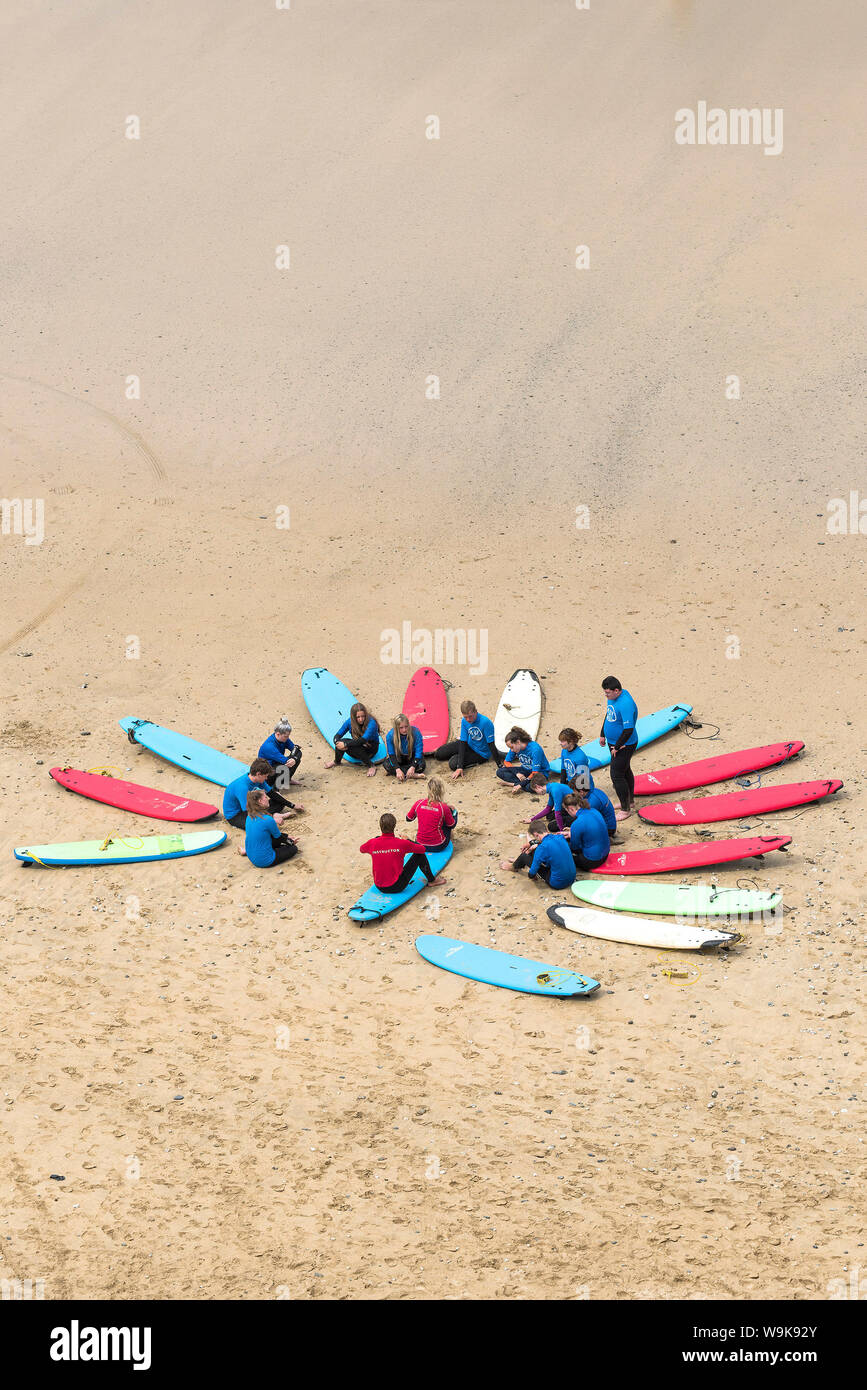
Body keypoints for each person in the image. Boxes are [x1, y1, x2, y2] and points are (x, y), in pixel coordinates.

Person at [359, 812, 447, 894]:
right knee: (419, 855)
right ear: (394, 826)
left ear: (380, 826)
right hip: (397, 886)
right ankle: (432, 880)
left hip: (379, 886)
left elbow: (361, 849)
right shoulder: (402, 843)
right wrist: (408, 840)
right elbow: (422, 849)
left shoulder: (372, 843)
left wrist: (377, 841)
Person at [432, 700, 504, 780]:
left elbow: (491, 744)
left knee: (453, 764)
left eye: (470, 716)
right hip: (469, 745)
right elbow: (463, 742)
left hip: (481, 754)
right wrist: (460, 765)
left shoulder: (485, 722)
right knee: (439, 754)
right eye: (465, 717)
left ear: (476, 712)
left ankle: (459, 758)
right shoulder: (464, 721)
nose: (468, 719)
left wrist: (499, 765)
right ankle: (457, 756)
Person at [222, 758, 302, 829]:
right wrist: (270, 820)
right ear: (258, 774)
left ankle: (274, 815)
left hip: (251, 806)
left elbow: (272, 794)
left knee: (279, 801)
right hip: (236, 815)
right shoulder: (242, 787)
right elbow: (248, 811)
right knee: (257, 826)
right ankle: (274, 816)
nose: (266, 778)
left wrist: (293, 805)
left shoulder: (259, 780)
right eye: (265, 776)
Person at [599, 676, 638, 819]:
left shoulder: (626, 703)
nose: (606, 695)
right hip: (614, 742)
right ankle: (630, 802)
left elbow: (628, 729)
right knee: (625, 769)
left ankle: (626, 809)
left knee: (616, 774)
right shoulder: (613, 698)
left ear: (617, 691)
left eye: (608, 693)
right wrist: (603, 733)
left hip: (625, 744)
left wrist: (617, 746)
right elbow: (609, 714)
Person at [240, 789, 299, 866]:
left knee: (267, 837)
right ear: (260, 801)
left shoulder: (249, 816)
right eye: (265, 797)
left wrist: (287, 836)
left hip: (251, 855)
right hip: (265, 860)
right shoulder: (268, 819)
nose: (268, 799)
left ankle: (246, 851)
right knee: (293, 848)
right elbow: (278, 838)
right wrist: (290, 842)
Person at [500, 830, 576, 889]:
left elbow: (531, 874)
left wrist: (532, 875)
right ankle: (519, 862)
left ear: (536, 835)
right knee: (536, 853)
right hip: (571, 878)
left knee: (524, 856)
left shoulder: (542, 848)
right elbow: (541, 841)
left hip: (557, 883)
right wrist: (531, 843)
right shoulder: (560, 837)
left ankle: (513, 867)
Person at [326, 701, 380, 777]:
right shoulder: (350, 722)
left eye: (363, 716)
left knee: (350, 744)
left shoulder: (371, 723)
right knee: (340, 742)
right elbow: (337, 735)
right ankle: (337, 761)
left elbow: (363, 740)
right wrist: (336, 742)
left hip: (371, 749)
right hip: (359, 748)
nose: (361, 719)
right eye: (358, 717)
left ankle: (371, 766)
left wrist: (345, 744)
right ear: (354, 717)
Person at [561, 792, 611, 871]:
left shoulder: (577, 823)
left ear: (570, 808)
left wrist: (567, 839)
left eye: (567, 810)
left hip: (592, 860)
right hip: (606, 854)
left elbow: (575, 847)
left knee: (562, 850)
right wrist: (572, 833)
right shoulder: (594, 811)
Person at [405, 777, 457, 851]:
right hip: (438, 846)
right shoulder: (443, 808)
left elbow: (408, 819)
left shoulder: (418, 803)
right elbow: (452, 825)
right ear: (441, 790)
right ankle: (448, 838)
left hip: (419, 843)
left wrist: (423, 812)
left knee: (428, 820)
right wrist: (455, 812)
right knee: (449, 818)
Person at [496, 727, 550, 792]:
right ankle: (523, 783)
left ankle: (514, 784)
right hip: (525, 770)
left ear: (518, 742)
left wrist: (521, 785)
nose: (511, 750)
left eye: (512, 747)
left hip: (540, 773)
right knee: (500, 772)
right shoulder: (515, 748)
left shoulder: (535, 749)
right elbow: (506, 762)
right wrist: (517, 773)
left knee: (530, 787)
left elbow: (535, 772)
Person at [258, 718, 302, 787]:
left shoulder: (284, 739)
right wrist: (294, 758)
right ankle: (275, 789)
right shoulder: (269, 746)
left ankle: (287, 780)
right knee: (284, 767)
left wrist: (295, 759)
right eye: (285, 736)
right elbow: (286, 761)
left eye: (288, 736)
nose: (287, 738)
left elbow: (297, 751)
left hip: (274, 765)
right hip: (265, 774)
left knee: (295, 760)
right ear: (278, 734)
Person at [384, 714, 425, 781]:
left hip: (412, 756)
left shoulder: (415, 732)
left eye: (406, 726)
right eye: (401, 728)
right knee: (386, 764)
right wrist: (397, 769)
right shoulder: (390, 735)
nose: (404, 730)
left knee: (421, 765)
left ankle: (406, 772)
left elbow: (419, 750)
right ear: (396, 728)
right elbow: (391, 754)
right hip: (399, 756)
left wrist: (413, 767)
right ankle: (413, 775)